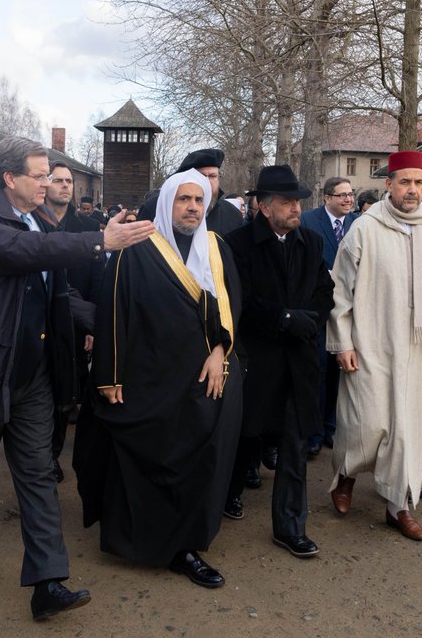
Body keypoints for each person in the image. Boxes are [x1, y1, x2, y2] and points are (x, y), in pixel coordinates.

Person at [0, 136, 153, 620]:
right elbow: (23, 252)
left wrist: (117, 326)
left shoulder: (38, 221)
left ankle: (48, 582)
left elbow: (59, 294)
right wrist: (99, 240)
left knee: (37, 478)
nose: (49, 182)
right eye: (40, 175)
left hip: (32, 378)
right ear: (10, 179)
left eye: (50, 174)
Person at [75, 169, 242, 588]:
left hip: (203, 377)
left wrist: (220, 352)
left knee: (197, 462)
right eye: (183, 199)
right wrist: (109, 376)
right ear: (168, 203)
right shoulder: (137, 246)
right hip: (146, 374)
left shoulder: (216, 247)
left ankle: (185, 547)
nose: (192, 207)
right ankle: (140, 541)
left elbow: (231, 306)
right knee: (147, 459)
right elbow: (113, 308)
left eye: (199, 200)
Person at [327, 152, 422, 540]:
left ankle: (398, 506)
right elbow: (340, 290)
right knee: (366, 421)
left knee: (410, 429)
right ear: (389, 185)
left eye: (417, 183)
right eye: (404, 182)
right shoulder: (365, 229)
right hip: (373, 344)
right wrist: (342, 341)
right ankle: (345, 475)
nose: (411, 190)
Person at [224, 165, 333, 558]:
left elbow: (325, 290)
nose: (296, 209)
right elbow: (240, 302)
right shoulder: (237, 245)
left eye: (298, 202)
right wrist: (284, 318)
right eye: (287, 202)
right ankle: (229, 492)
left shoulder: (311, 242)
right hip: (258, 359)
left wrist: (311, 320)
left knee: (294, 443)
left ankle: (289, 525)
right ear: (264, 206)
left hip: (300, 359)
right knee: (246, 434)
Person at [42, 160, 104, 483]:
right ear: (45, 184)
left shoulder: (87, 228)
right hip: (40, 324)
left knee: (67, 393)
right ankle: (44, 457)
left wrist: (93, 326)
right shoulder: (35, 224)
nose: (65, 185)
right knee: (44, 392)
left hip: (77, 324)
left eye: (69, 181)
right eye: (58, 180)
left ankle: (53, 453)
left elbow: (97, 278)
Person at [300, 177, 359, 455]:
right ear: (326, 198)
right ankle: (313, 432)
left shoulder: (359, 224)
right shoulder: (308, 220)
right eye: (342, 195)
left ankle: (332, 427)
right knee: (318, 368)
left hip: (348, 309)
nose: (348, 200)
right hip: (317, 308)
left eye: (351, 195)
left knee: (340, 370)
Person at [138, 148, 245, 237]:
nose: (207, 182)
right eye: (202, 176)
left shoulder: (232, 214)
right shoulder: (153, 208)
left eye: (213, 176)